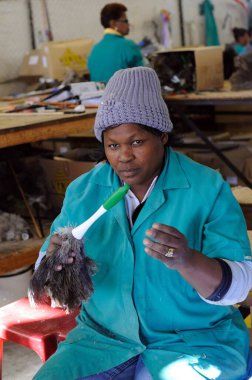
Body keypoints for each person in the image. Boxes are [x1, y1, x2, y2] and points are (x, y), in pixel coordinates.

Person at [33, 67, 252, 380]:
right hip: (103, 339)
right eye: (113, 145)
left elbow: (240, 287)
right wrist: (55, 264)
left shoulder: (207, 188)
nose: (124, 157)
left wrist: (189, 261)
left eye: (137, 142)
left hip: (194, 341)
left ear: (162, 136)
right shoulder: (84, 191)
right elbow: (45, 280)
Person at [87, 3, 144, 83]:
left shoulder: (94, 49)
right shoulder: (128, 46)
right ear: (113, 23)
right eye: (125, 21)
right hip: (126, 95)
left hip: (102, 95)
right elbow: (144, 79)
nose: (128, 24)